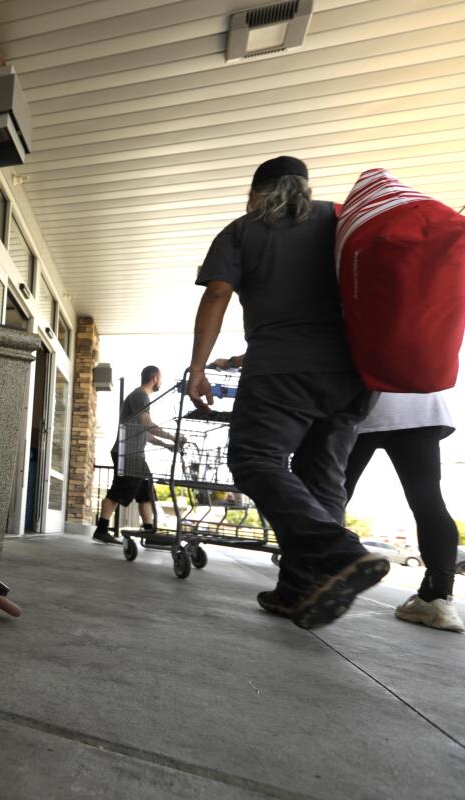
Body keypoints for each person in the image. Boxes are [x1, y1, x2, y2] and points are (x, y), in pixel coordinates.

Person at [188, 155, 387, 631]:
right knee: (323, 479)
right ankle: (300, 589)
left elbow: (216, 294)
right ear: (304, 186)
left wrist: (198, 366)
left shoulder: (244, 229)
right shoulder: (340, 219)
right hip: (352, 375)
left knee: (255, 458)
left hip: (282, 368)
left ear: (256, 192)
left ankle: (337, 552)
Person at [344, 393, 463, 632]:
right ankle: (437, 598)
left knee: (334, 491)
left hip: (361, 403)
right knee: (429, 501)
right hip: (421, 407)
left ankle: (308, 578)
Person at [93, 366, 181, 544]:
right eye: (161, 378)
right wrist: (174, 437)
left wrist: (166, 445)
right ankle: (101, 530)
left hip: (134, 454)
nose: (161, 382)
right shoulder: (140, 395)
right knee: (118, 491)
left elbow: (145, 433)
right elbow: (147, 424)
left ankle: (149, 532)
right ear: (155, 378)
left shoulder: (140, 397)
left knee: (146, 492)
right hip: (127, 454)